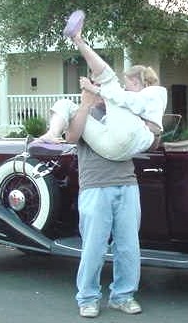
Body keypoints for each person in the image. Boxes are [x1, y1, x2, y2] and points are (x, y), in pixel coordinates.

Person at [39, 10, 167, 161]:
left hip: (128, 141)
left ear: (135, 82)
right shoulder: (105, 110)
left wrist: (97, 90)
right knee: (66, 104)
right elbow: (72, 138)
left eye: (127, 85)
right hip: (110, 148)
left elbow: (129, 101)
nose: (125, 89)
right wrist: (87, 102)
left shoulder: (153, 94)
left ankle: (78, 40)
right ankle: (52, 134)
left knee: (110, 80)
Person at [65, 89, 142, 318]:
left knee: (129, 247)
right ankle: (88, 298)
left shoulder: (124, 111)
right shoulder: (80, 112)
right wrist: (85, 104)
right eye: (94, 85)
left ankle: (123, 297)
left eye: (103, 85)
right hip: (95, 187)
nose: (100, 91)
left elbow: (150, 141)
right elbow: (71, 136)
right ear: (87, 87)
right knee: (94, 247)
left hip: (127, 184)